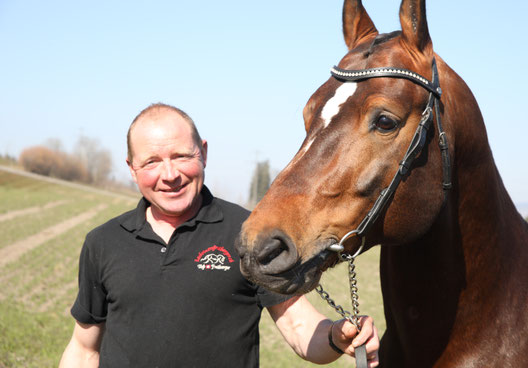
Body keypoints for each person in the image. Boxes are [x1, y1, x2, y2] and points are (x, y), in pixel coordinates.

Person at [59, 103, 379, 367]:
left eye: (182, 156)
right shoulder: (103, 242)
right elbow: (84, 348)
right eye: (152, 162)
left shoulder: (246, 232)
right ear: (132, 169)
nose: (170, 175)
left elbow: (299, 326)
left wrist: (337, 336)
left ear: (203, 153)